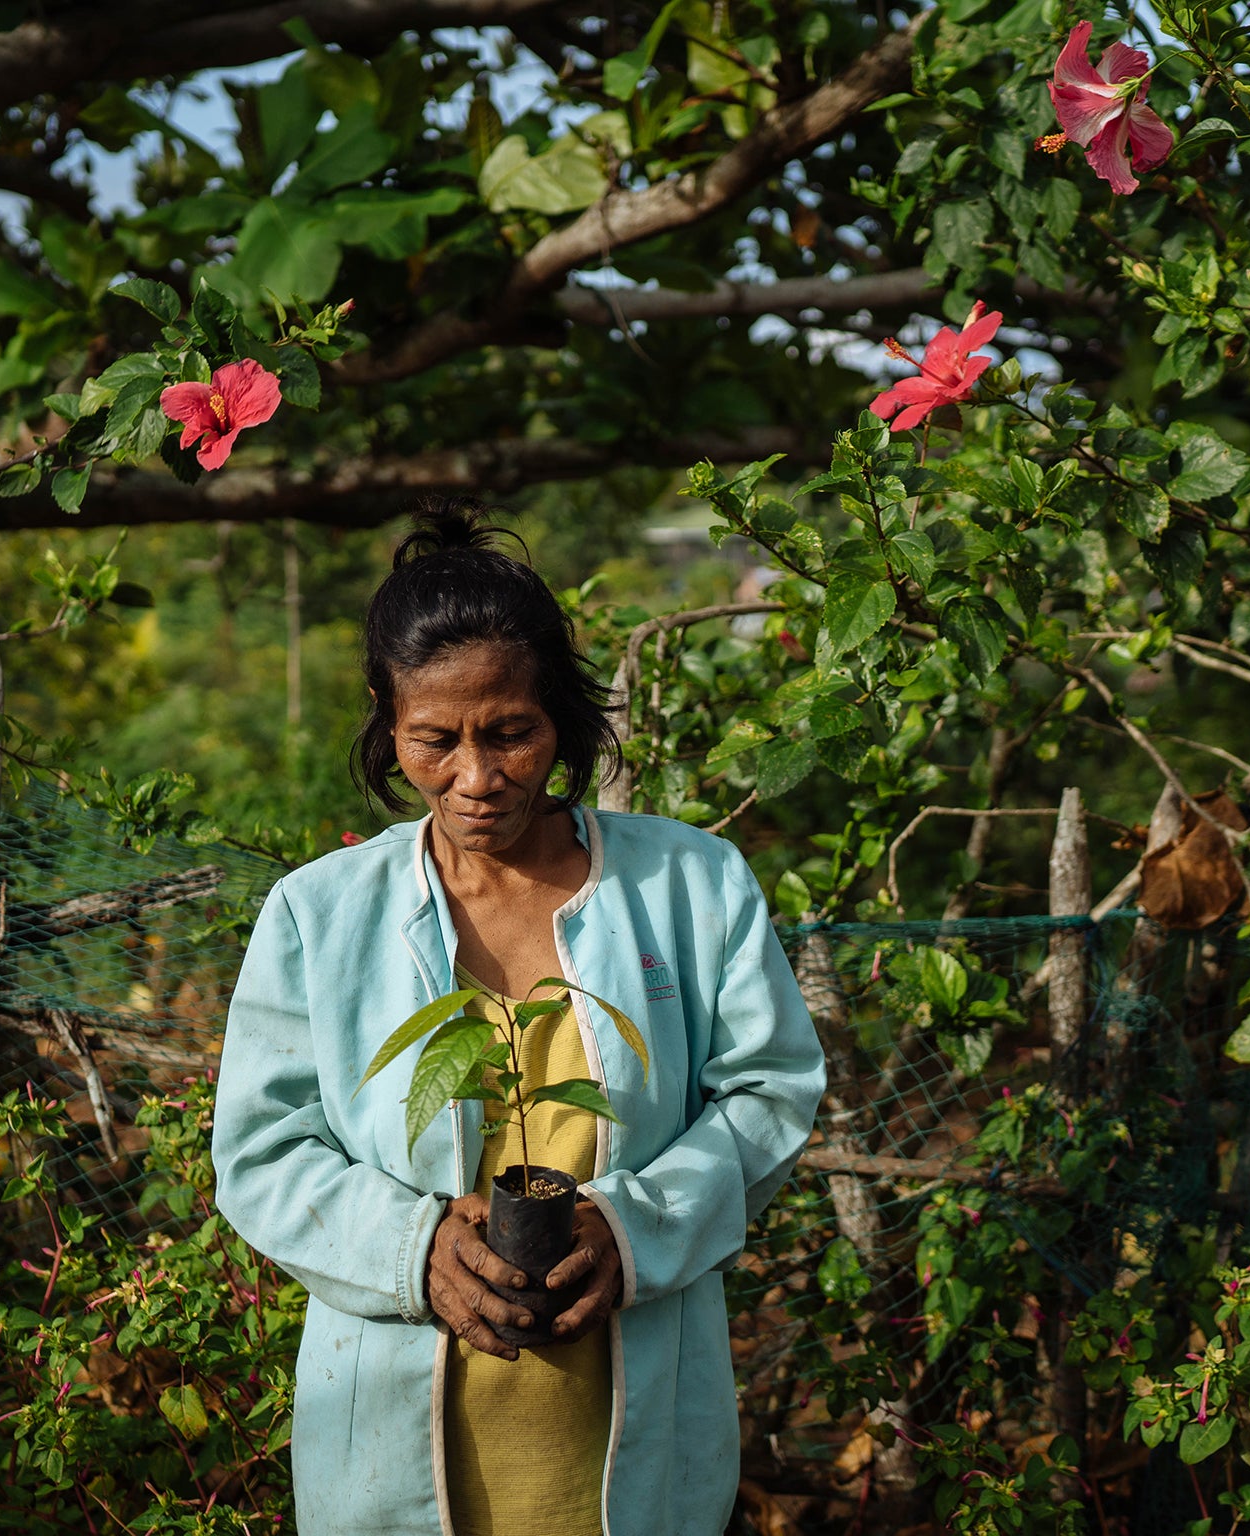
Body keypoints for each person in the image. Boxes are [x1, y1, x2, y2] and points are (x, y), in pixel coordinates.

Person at [212, 504, 824, 1536]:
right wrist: (411, 1250)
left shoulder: (690, 883)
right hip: (389, 1462)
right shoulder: (320, 914)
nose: (476, 778)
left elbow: (768, 1091)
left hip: (632, 1448)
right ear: (383, 716)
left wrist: (637, 1227)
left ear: (560, 715)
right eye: (433, 740)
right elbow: (263, 1151)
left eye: (510, 733)